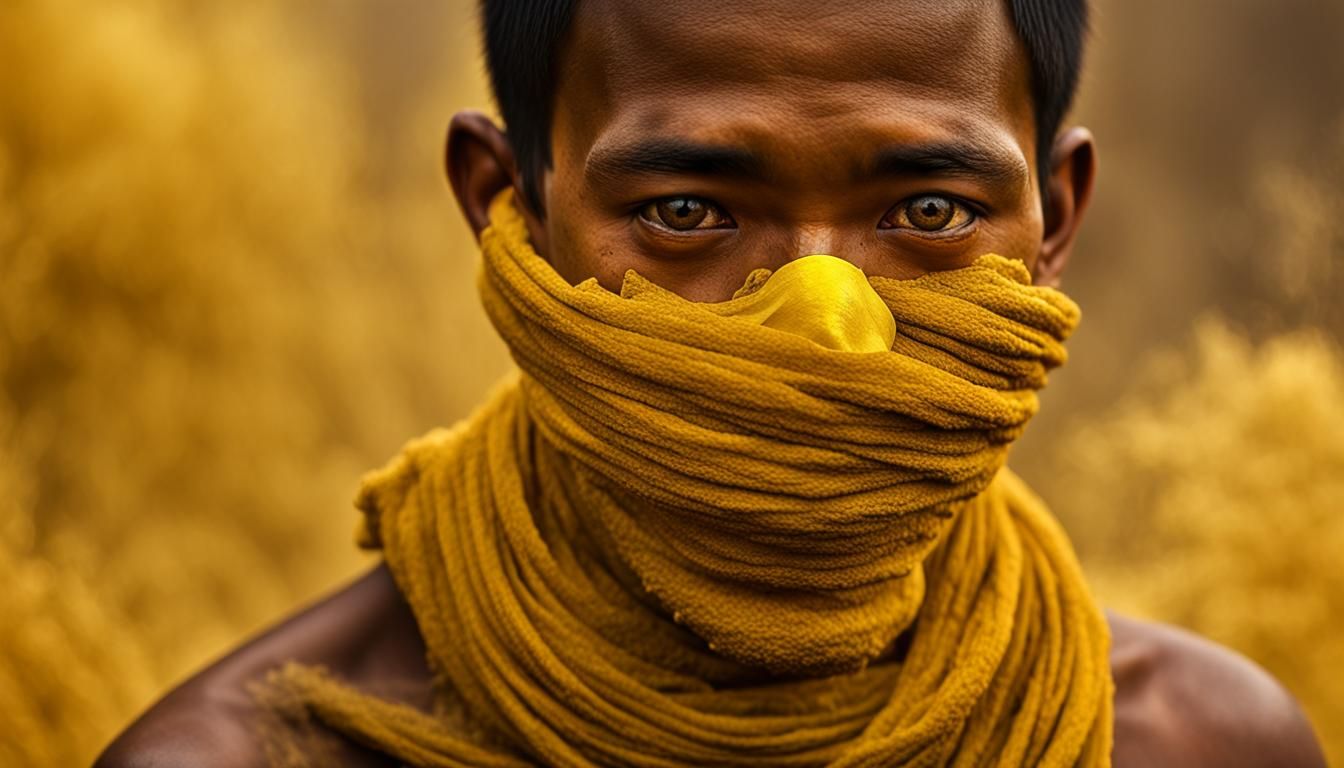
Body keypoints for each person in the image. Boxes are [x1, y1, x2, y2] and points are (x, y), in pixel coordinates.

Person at [96, 1, 1328, 766]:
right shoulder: (256, 756)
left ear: (1054, 218)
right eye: (687, 211)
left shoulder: (1197, 749)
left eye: (930, 209)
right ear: (504, 205)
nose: (823, 329)